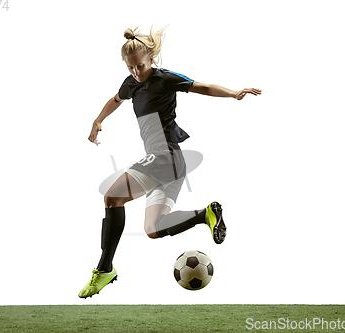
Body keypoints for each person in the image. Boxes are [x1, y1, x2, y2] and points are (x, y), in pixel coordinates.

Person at [78, 26, 262, 298]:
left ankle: (104, 269)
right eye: (130, 68)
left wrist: (234, 93)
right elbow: (116, 99)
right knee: (153, 229)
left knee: (112, 197)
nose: (136, 72)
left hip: (165, 157)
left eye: (140, 66)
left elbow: (203, 87)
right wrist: (98, 120)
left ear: (151, 58)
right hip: (171, 167)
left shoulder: (165, 79)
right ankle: (204, 215)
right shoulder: (130, 84)